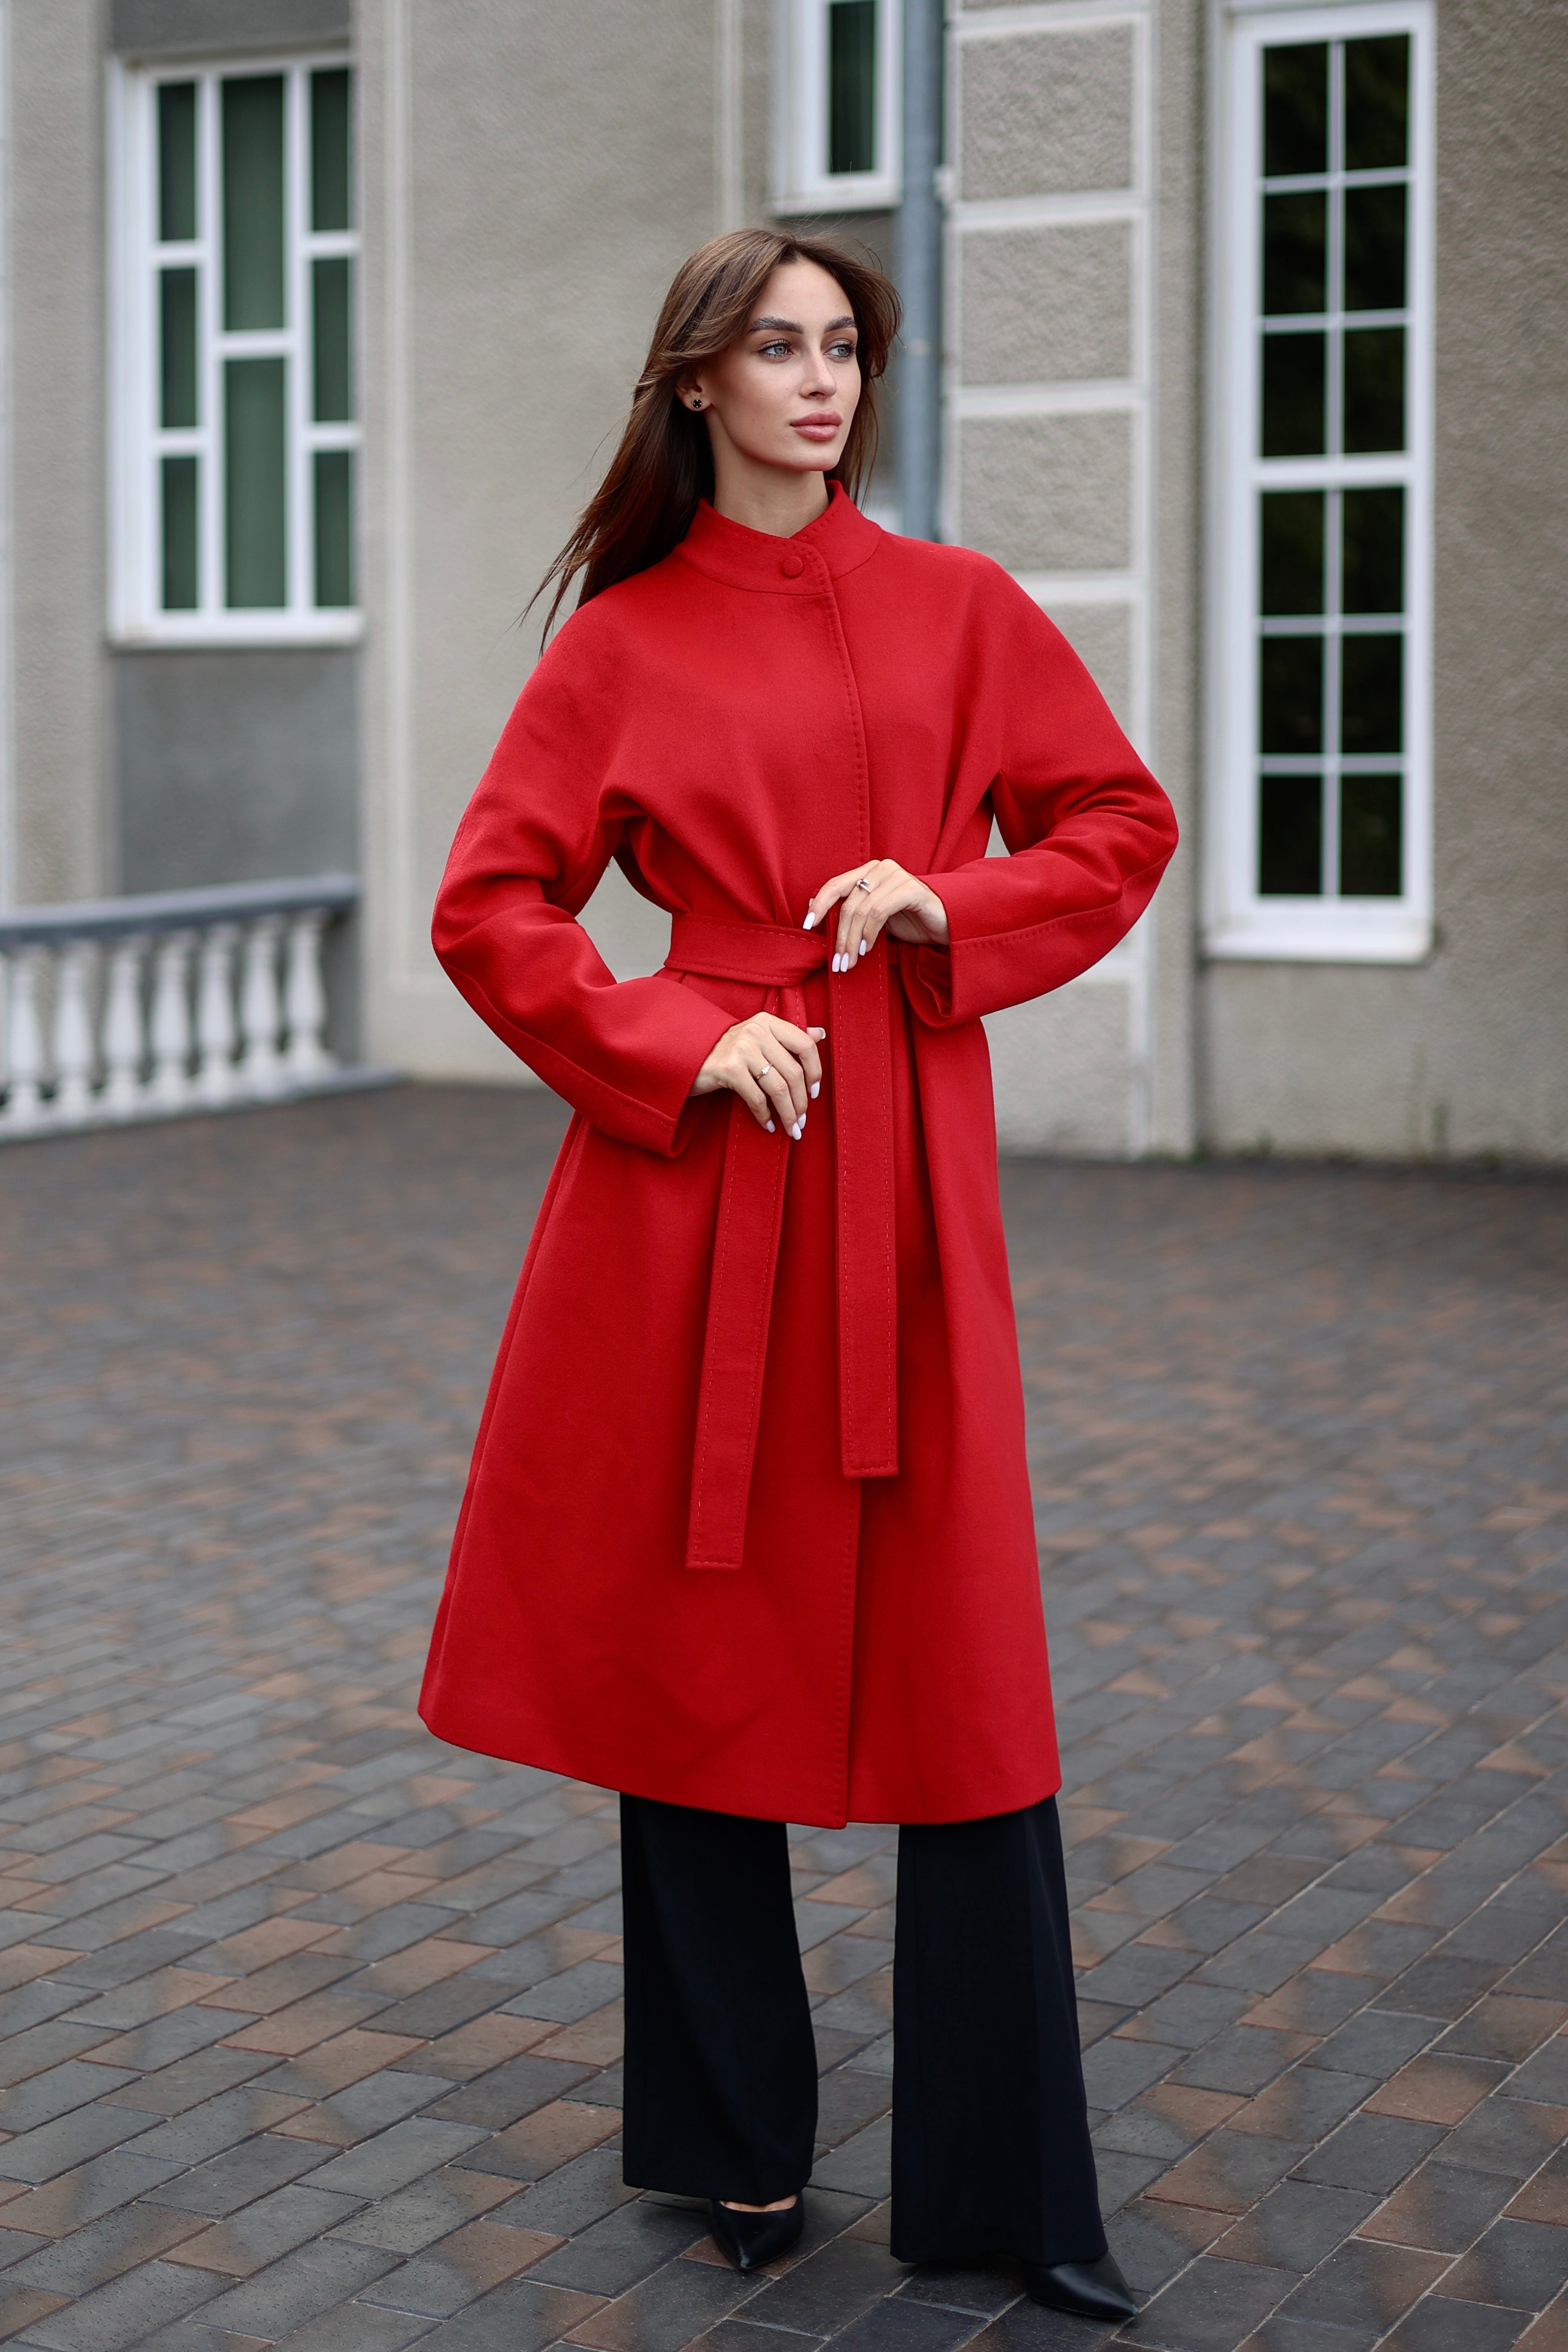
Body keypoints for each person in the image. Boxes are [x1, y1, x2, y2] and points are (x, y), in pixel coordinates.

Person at [420, 229, 1177, 2321]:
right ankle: (730, 2148)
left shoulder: (959, 608)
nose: (821, 382)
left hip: (909, 1183)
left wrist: (939, 898)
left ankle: (1007, 2189)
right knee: (693, 1666)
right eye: (777, 349)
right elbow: (492, 909)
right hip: (692, 1189)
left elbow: (1113, 823)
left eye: (845, 348)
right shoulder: (619, 644)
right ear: (695, 384)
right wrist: (680, 1031)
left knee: (966, 1677)